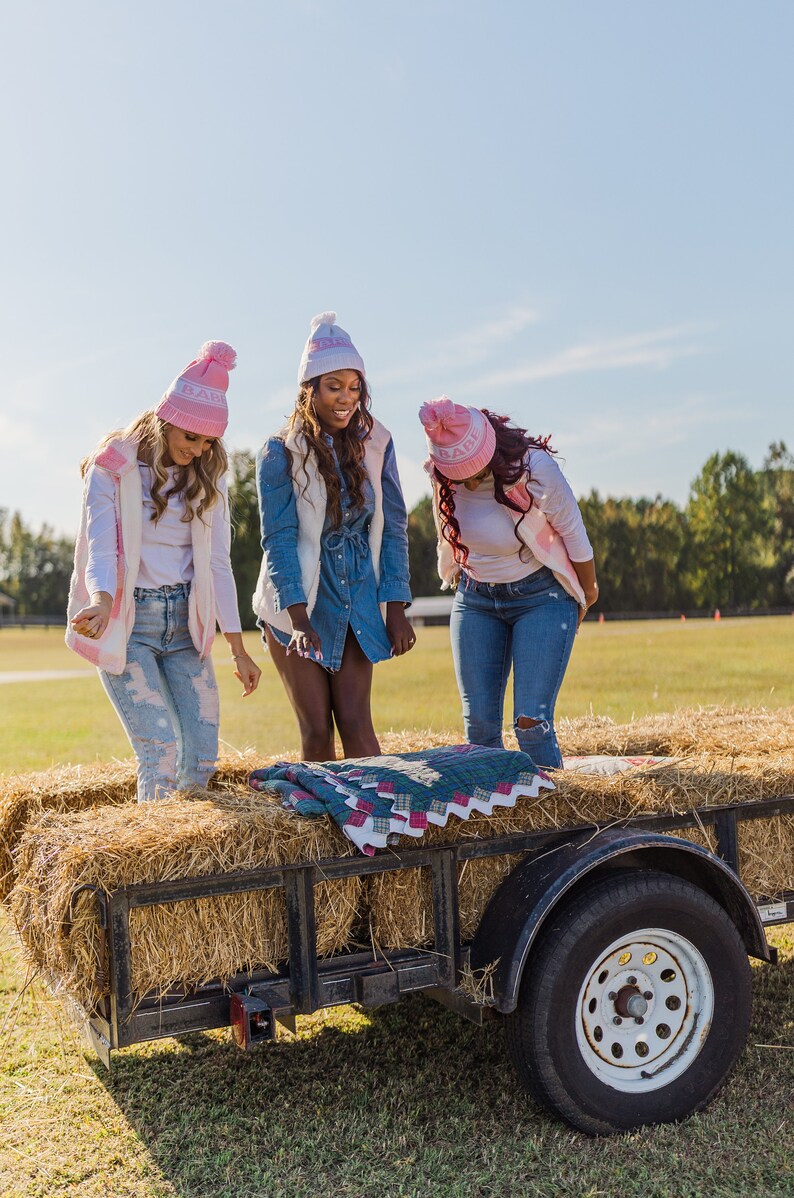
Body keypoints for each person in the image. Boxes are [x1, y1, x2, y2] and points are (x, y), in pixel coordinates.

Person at [66, 341, 261, 802]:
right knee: (160, 753)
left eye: (208, 441)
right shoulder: (113, 467)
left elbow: (217, 563)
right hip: (131, 621)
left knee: (202, 756)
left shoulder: (209, 475)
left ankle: (194, 858)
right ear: (166, 420)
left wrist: (237, 648)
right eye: (191, 437)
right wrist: (101, 601)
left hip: (185, 626)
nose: (197, 450)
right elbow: (101, 546)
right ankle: (159, 867)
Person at [253, 311, 414, 761]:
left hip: (357, 597)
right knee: (318, 732)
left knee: (358, 725)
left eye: (354, 386)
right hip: (298, 604)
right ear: (311, 389)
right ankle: (326, 829)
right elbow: (279, 540)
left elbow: (395, 526)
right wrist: (299, 621)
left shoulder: (378, 443)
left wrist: (397, 607)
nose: (346, 398)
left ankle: (381, 826)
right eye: (333, 386)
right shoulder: (279, 452)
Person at [419, 396, 598, 770]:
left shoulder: (533, 467)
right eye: (458, 475)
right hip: (476, 600)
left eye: (473, 472)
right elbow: (446, 536)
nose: (466, 481)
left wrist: (587, 593)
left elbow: (574, 534)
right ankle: (498, 823)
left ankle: (555, 822)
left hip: (541, 597)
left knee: (531, 724)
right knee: (480, 730)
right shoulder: (442, 477)